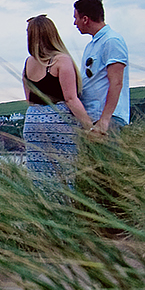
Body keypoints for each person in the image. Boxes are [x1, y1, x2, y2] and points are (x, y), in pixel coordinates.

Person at [21, 15, 95, 184]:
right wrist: (90, 127)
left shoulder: (28, 63)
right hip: (58, 121)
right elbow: (70, 99)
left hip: (33, 121)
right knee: (64, 175)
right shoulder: (61, 60)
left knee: (39, 177)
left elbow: (30, 99)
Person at [73, 0, 130, 137]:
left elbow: (116, 82)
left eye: (76, 18)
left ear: (85, 19)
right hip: (93, 118)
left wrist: (105, 119)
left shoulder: (112, 41)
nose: (75, 23)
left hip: (108, 119)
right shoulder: (92, 45)